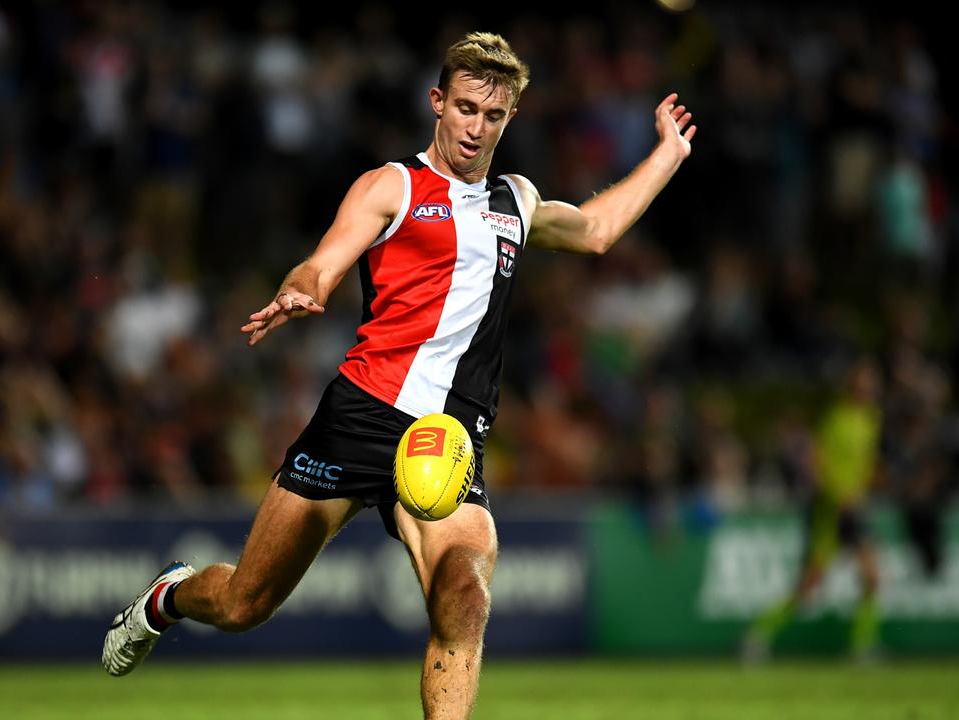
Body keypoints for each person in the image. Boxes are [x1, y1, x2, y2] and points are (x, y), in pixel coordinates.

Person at [103, 31, 696, 718]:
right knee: (243, 605)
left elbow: (595, 229)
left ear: (509, 119)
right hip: (358, 417)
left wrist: (667, 155)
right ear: (438, 103)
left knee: (466, 599)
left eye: (493, 114)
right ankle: (169, 597)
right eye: (467, 108)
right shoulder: (394, 186)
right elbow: (323, 262)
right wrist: (304, 287)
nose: (477, 127)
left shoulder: (517, 200)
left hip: (444, 441)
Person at [743, 356, 884, 663]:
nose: (868, 387)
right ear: (852, 385)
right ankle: (758, 633)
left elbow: (865, 463)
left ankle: (862, 645)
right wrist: (838, 493)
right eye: (863, 381)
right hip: (831, 510)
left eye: (871, 381)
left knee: (872, 576)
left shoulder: (871, 419)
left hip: (856, 508)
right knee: (810, 585)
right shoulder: (836, 419)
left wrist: (866, 486)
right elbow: (817, 463)